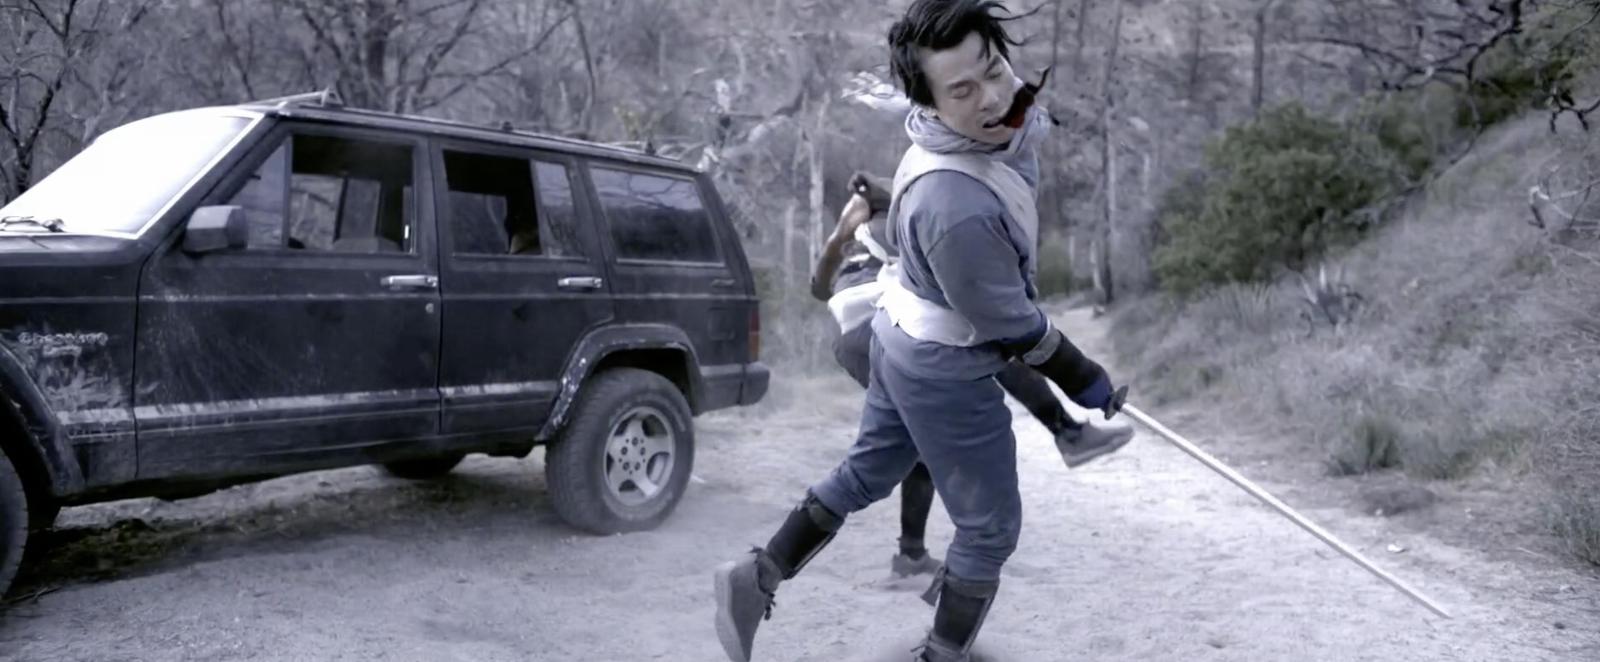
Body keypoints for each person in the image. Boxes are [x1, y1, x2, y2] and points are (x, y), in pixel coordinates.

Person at [713, 2, 1135, 660]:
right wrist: (1088, 381)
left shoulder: (952, 136)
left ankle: (755, 575)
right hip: (942, 365)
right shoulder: (955, 209)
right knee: (990, 527)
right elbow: (1016, 329)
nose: (991, 97)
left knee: (867, 472)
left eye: (992, 70)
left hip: (901, 337)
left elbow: (994, 153)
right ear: (930, 104)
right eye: (962, 90)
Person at [807, 170, 1129, 580]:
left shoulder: (858, 232)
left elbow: (819, 288)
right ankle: (1067, 432)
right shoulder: (911, 215)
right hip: (886, 326)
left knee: (917, 434)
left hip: (854, 338)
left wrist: (842, 238)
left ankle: (909, 555)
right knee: (990, 346)